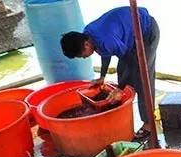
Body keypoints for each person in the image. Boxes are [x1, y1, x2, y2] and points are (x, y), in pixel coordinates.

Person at [60, 7, 159, 139]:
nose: (83, 58)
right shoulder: (88, 33)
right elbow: (104, 51)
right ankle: (124, 106)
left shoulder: (106, 40)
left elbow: (133, 63)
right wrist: (102, 76)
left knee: (142, 77)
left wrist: (119, 88)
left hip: (146, 32)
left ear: (86, 45)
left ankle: (148, 123)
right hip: (130, 35)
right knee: (122, 71)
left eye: (82, 55)